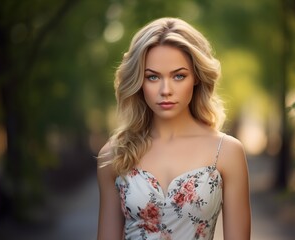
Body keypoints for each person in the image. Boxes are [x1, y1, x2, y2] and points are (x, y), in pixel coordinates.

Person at [97, 17, 251, 240]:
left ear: (196, 77)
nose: (165, 90)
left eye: (179, 76)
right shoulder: (114, 154)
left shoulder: (226, 152)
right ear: (139, 81)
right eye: (152, 77)